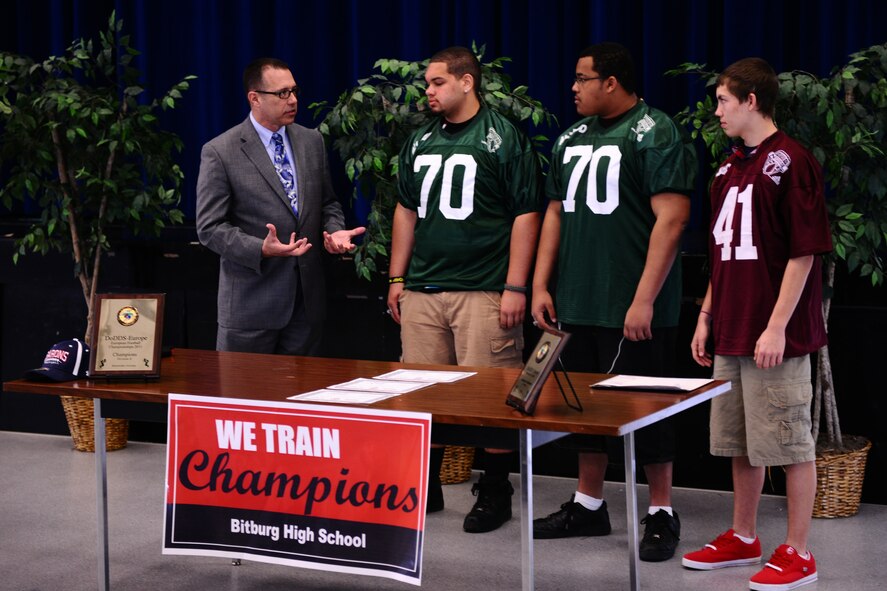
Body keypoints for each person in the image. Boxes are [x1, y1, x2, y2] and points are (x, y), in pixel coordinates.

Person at [531, 42, 697, 562]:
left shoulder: (656, 131)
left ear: (612, 82)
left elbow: (672, 219)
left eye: (583, 79)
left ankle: (662, 512)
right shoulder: (571, 136)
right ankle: (588, 504)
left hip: (633, 305)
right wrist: (541, 283)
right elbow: (554, 213)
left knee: (646, 409)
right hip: (577, 298)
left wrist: (644, 298)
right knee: (583, 411)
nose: (574, 88)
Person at [681, 57, 831, 591]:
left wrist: (776, 327)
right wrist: (705, 316)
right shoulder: (726, 168)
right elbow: (722, 255)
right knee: (739, 441)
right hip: (731, 327)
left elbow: (804, 253)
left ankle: (799, 550)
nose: (716, 110)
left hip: (776, 336)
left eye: (724, 100)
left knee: (789, 444)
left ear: (751, 101)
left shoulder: (793, 162)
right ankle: (744, 536)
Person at [387, 46, 542, 533]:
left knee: (492, 396)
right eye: (427, 84)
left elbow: (525, 213)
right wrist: (397, 277)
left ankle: (495, 489)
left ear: (466, 82)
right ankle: (424, 487)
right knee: (420, 392)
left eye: (436, 83)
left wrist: (516, 284)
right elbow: (406, 209)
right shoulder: (419, 140)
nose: (427, 92)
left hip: (483, 289)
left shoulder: (503, 138)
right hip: (425, 288)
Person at [197, 58, 365, 356]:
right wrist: (261, 248)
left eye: (294, 91)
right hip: (251, 307)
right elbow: (210, 228)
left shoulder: (311, 141)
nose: (293, 100)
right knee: (244, 401)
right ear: (255, 98)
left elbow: (327, 203)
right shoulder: (220, 151)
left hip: (306, 306)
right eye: (282, 93)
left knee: (300, 399)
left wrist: (335, 232)